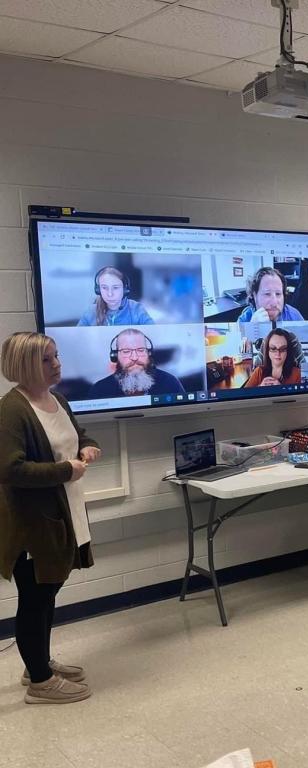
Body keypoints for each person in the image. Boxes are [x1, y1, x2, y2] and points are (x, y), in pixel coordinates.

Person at [0, 332, 100, 704]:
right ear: (26, 365)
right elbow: (9, 470)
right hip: (31, 524)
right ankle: (40, 683)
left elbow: (75, 435)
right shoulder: (11, 409)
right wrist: (64, 470)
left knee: (49, 591)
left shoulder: (56, 398)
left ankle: (37, 663)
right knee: (36, 597)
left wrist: (87, 446)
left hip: (63, 514)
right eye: (47, 360)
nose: (57, 364)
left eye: (56, 357)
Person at [88, 329, 185, 398]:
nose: (134, 358)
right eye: (126, 351)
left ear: (149, 353)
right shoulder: (99, 390)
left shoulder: (170, 382)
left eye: (140, 350)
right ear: (115, 356)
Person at [76, 267, 154, 327]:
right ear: (98, 290)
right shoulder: (91, 312)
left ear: (125, 289)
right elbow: (77, 338)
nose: (110, 294)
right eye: (104, 288)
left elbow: (153, 334)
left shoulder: (136, 309)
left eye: (115, 287)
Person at [236, 267, 304, 323]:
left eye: (278, 294)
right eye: (267, 294)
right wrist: (252, 328)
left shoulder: (294, 316)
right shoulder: (245, 320)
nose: (274, 303)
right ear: (254, 295)